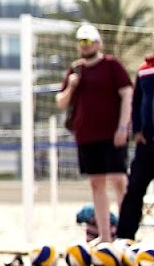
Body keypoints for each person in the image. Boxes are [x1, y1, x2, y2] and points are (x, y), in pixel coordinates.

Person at [56, 24, 133, 244]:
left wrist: (123, 126)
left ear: (98, 43)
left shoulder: (111, 65)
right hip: (87, 135)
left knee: (119, 180)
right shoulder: (76, 70)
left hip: (112, 133)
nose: (85, 46)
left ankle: (126, 232)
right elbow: (61, 102)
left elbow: (127, 94)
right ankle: (105, 235)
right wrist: (72, 87)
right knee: (96, 183)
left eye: (89, 41)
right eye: (82, 42)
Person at [118, 49, 154, 241]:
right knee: (133, 190)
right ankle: (124, 238)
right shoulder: (144, 69)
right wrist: (137, 131)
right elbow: (137, 102)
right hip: (147, 146)